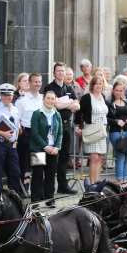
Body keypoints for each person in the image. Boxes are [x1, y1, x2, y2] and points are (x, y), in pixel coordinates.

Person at [44, 62, 80, 195]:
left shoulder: (69, 87)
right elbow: (55, 105)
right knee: (53, 158)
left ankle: (63, 186)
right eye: (58, 71)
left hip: (66, 126)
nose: (61, 73)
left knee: (65, 157)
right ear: (54, 73)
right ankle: (49, 189)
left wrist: (65, 103)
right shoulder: (49, 87)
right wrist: (68, 104)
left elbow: (77, 106)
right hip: (53, 127)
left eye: (63, 71)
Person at [29, 91, 63, 203]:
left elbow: (60, 133)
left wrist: (57, 147)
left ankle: (49, 199)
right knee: (37, 175)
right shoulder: (37, 113)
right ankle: (35, 200)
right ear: (43, 99)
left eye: (52, 99)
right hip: (38, 149)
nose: (50, 101)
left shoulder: (57, 114)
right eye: (48, 98)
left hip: (53, 150)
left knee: (51, 175)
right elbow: (34, 133)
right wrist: (45, 146)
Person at [78, 76, 109, 184]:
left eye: (100, 83)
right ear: (92, 85)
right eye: (96, 84)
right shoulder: (87, 97)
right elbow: (79, 112)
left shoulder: (103, 97)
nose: (99, 86)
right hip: (91, 129)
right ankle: (92, 184)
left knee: (100, 158)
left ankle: (97, 182)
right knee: (94, 157)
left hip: (102, 130)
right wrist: (78, 126)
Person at [15, 73, 43, 191]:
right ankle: (24, 189)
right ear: (30, 83)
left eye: (39, 82)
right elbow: (16, 119)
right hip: (26, 134)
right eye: (35, 82)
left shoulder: (43, 99)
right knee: (25, 164)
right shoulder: (22, 100)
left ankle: (37, 189)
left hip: (40, 135)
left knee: (38, 163)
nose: (38, 84)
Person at [107, 81, 127, 183]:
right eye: (117, 90)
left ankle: (125, 179)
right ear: (113, 91)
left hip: (126, 131)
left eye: (121, 90)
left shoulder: (126, 103)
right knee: (121, 155)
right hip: (115, 131)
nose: (119, 92)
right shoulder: (110, 104)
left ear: (124, 91)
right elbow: (106, 119)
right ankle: (120, 180)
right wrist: (116, 121)